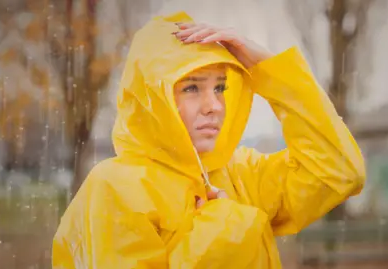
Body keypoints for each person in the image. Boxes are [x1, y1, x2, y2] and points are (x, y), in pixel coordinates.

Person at [52, 11, 365, 269]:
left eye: (220, 87)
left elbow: (338, 172)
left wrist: (270, 70)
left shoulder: (240, 171)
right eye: (191, 88)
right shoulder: (114, 188)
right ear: (152, 98)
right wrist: (222, 230)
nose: (214, 105)